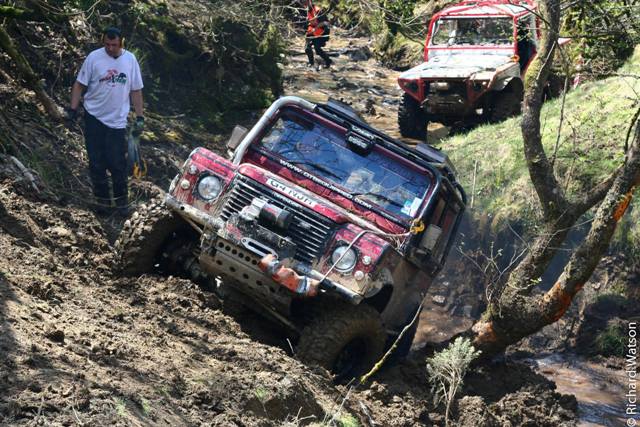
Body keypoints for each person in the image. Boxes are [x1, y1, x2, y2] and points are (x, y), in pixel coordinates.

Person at [68, 26, 144, 216]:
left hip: (117, 121)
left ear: (121, 43)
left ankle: (121, 203)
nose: (110, 48)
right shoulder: (94, 58)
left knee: (117, 162)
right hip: (93, 116)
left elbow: (136, 90)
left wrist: (140, 117)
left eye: (114, 45)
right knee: (96, 161)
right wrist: (73, 109)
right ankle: (101, 201)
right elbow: (79, 85)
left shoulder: (130, 60)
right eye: (107, 44)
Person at [303, 0, 332, 69]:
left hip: (321, 32)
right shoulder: (307, 10)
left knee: (317, 49)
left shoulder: (318, 10)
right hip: (311, 31)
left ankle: (328, 61)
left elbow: (325, 22)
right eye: (303, 2)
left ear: (310, 1)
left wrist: (315, 28)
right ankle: (311, 63)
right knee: (307, 48)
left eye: (306, 2)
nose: (305, 4)